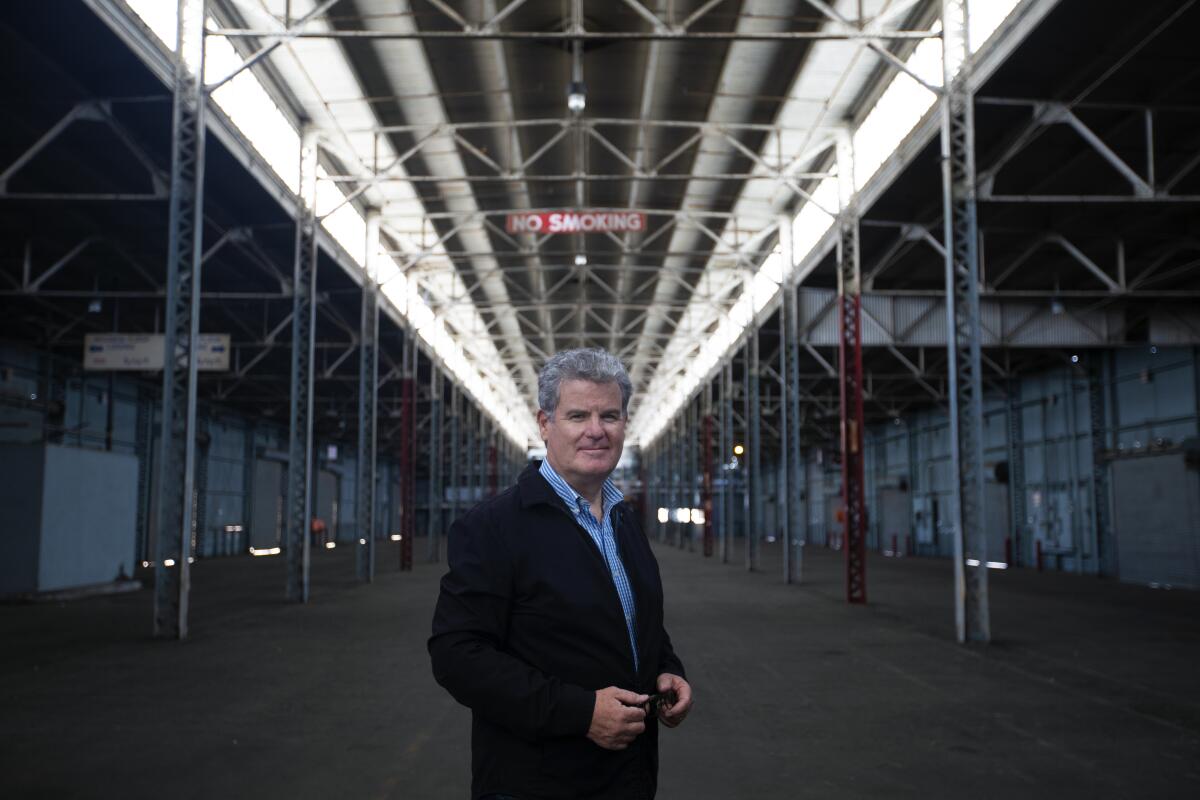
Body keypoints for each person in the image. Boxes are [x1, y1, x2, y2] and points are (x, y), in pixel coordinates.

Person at [429, 347, 692, 800]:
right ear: (545, 424)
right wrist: (581, 712)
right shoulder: (493, 527)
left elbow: (634, 618)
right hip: (535, 780)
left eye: (609, 415)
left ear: (625, 424)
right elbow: (457, 655)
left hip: (628, 775)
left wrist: (666, 670)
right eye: (577, 416)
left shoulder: (623, 519)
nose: (596, 431)